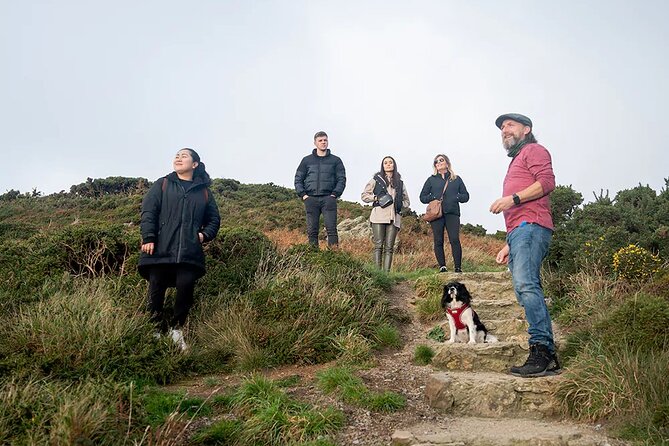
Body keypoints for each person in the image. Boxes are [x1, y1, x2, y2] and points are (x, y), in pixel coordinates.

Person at [489, 113, 561, 377]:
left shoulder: (534, 150)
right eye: (502, 128)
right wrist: (509, 244)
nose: (504, 130)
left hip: (531, 227)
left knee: (527, 285)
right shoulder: (517, 159)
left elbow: (547, 182)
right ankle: (543, 350)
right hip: (521, 231)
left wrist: (513, 198)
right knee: (524, 288)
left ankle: (543, 351)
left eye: (509, 125)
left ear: (526, 129)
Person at [138, 148, 221, 351]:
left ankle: (177, 330)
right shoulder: (163, 184)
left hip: (188, 250)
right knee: (156, 286)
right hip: (160, 246)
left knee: (186, 287)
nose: (178, 158)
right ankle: (155, 331)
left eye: (184, 156)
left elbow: (214, 219)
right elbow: (149, 211)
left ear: (194, 164)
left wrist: (203, 235)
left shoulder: (203, 191)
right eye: (177, 155)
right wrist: (149, 237)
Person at [294, 131, 346, 248]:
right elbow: (298, 179)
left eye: (325, 140)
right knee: (312, 231)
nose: (323, 143)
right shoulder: (306, 160)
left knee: (331, 230)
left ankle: (334, 258)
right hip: (311, 199)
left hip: (329, 199)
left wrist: (335, 194)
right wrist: (303, 195)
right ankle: (313, 258)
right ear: (315, 143)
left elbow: (341, 179)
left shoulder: (336, 160)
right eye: (320, 140)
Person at [419, 154, 469, 273]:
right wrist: (434, 197)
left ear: (447, 163)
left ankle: (458, 267)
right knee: (438, 240)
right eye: (436, 161)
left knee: (454, 239)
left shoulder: (456, 179)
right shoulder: (431, 179)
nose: (439, 162)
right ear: (435, 165)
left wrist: (456, 197)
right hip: (437, 214)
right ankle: (442, 266)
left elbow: (466, 196)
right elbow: (422, 197)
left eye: (441, 160)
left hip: (452, 213)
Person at [361, 156, 411, 271]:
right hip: (378, 216)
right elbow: (364, 196)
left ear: (394, 165)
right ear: (382, 166)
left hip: (394, 217)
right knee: (378, 246)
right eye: (385, 163)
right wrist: (376, 198)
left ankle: (386, 275)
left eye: (390, 162)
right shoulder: (376, 179)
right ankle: (378, 274)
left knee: (389, 248)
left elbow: (407, 201)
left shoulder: (400, 183)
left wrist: (399, 204)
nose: (388, 164)